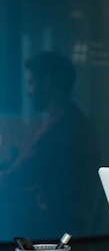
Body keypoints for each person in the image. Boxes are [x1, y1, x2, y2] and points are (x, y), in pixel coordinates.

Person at [0, 51, 103, 239]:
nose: (28, 92)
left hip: (54, 233)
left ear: (46, 83)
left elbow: (18, 176)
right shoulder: (75, 120)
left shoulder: (58, 128)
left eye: (31, 83)